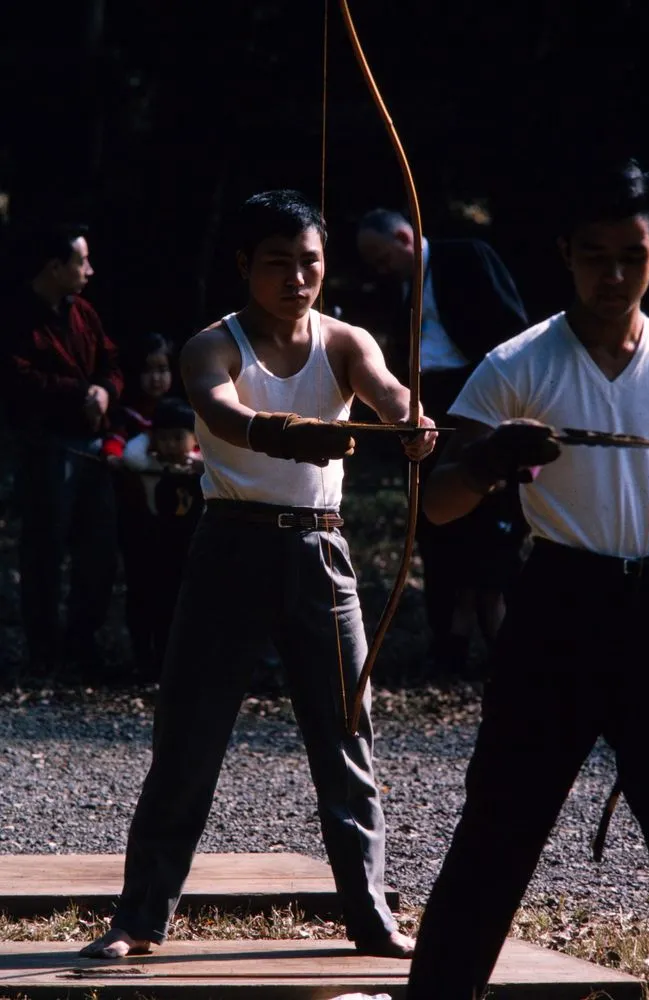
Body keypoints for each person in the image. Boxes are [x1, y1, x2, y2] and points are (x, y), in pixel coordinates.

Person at [81, 189, 436, 961]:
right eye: (277, 263)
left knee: (346, 739)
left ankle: (371, 918)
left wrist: (411, 421)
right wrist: (282, 433)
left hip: (319, 551)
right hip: (229, 548)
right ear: (245, 266)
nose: (297, 278)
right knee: (188, 738)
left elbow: (386, 392)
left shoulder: (345, 340)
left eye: (309, 262)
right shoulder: (213, 343)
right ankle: (140, 918)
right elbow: (217, 410)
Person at [406, 158, 649, 1000]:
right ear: (565, 253)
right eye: (594, 254)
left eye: (630, 254)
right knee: (498, 831)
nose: (612, 274)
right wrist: (485, 460)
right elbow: (436, 506)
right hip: (560, 604)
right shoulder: (519, 362)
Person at [357, 211, 529, 675]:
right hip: (426, 405)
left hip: (478, 398)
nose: (379, 268)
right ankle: (448, 642)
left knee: (490, 522)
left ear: (403, 236)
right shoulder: (398, 289)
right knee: (434, 525)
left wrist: (504, 403)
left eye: (381, 256)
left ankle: (504, 642)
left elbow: (512, 332)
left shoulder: (465, 257)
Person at [2, 223, 123, 677]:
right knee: (45, 550)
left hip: (92, 446)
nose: (88, 270)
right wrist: (81, 394)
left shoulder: (84, 313)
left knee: (98, 549)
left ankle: (82, 644)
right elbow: (19, 379)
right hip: (47, 447)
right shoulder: (16, 317)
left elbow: (112, 362)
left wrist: (106, 393)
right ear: (55, 267)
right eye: (81, 261)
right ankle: (44, 650)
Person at [118, 396, 203, 676]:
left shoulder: (202, 469)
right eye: (163, 438)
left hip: (184, 553)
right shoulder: (144, 462)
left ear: (194, 438)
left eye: (179, 437)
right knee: (143, 601)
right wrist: (148, 438)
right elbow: (131, 454)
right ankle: (143, 657)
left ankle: (172, 662)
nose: (171, 445)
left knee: (178, 606)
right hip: (148, 547)